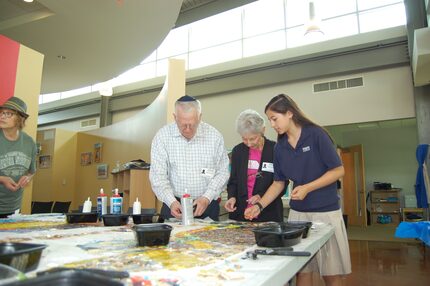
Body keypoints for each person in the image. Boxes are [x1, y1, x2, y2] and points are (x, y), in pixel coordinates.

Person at [244, 94, 351, 286]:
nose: (272, 124)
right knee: (302, 271)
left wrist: (308, 188)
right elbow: (278, 183)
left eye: (274, 118)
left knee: (331, 273)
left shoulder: (316, 134)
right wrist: (259, 206)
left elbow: (338, 170)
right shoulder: (280, 147)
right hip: (298, 215)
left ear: (290, 113)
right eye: (269, 120)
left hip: (325, 212)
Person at [149, 95, 229, 221]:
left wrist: (207, 197)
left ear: (200, 117)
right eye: (182, 125)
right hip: (174, 207)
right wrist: (172, 202)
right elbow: (158, 177)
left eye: (192, 125)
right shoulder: (162, 137)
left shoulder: (214, 136)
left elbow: (223, 172)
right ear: (175, 117)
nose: (187, 129)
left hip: (206, 205)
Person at [225, 109, 283, 222]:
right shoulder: (238, 151)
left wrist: (261, 196)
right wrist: (231, 197)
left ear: (262, 130)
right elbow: (233, 181)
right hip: (241, 213)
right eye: (244, 139)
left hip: (268, 213)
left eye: (252, 138)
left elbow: (282, 184)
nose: (249, 143)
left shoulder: (275, 150)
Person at [0, 97, 36, 218]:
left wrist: (27, 178)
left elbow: (31, 171)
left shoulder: (29, 142)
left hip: (14, 208)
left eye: (8, 114)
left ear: (20, 119)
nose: (2, 116)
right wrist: (2, 179)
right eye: (1, 113)